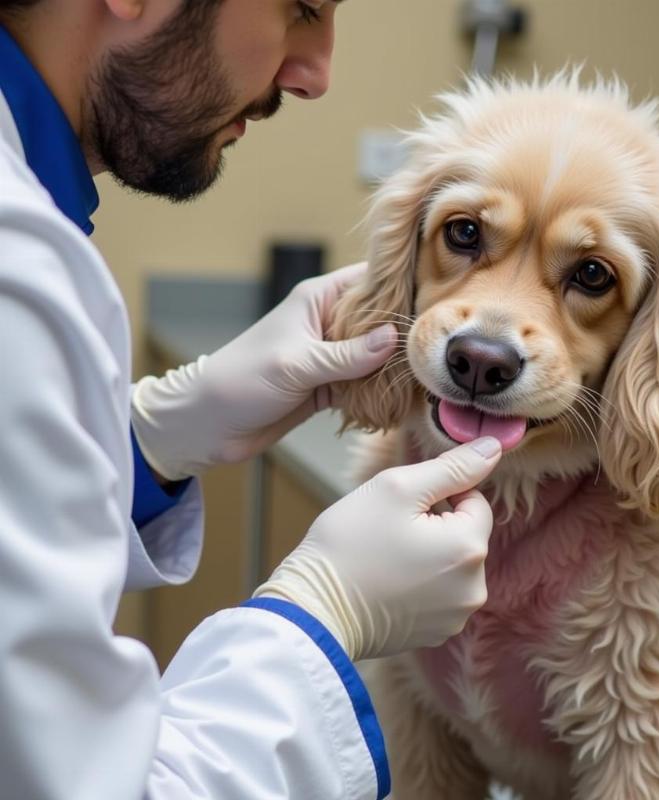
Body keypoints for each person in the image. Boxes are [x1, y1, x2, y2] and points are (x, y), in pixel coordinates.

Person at [0, 1, 503, 798]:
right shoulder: (12, 269)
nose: (315, 75)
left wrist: (150, 442)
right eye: (301, 8)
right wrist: (321, 617)